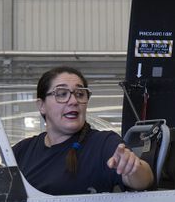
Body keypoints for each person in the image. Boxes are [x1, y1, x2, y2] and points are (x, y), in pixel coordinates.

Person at [11, 66, 153, 195]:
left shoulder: (103, 144)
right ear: (41, 105)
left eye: (80, 94)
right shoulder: (22, 151)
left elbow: (144, 179)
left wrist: (133, 167)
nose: (73, 101)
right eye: (61, 94)